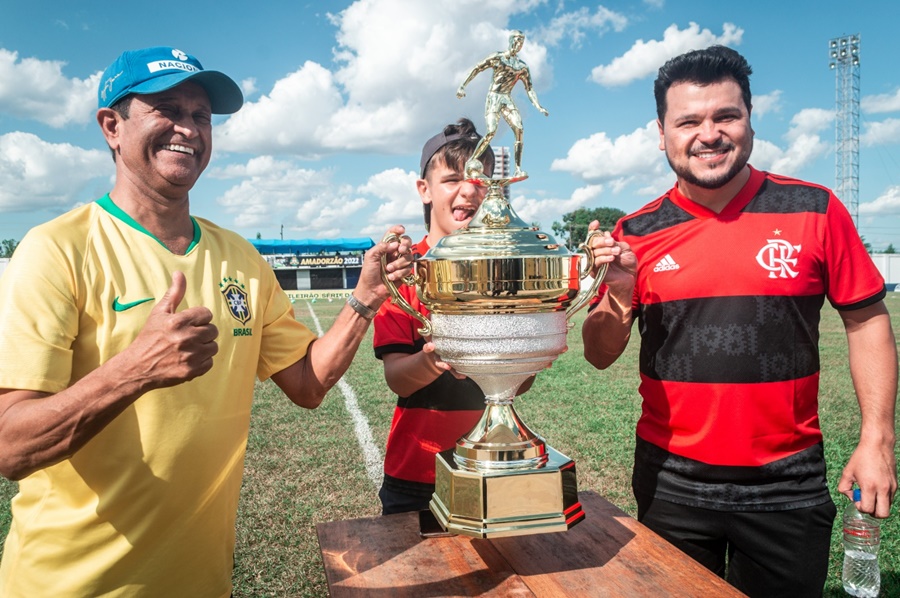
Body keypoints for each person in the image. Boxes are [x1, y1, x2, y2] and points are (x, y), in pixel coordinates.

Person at [0, 46, 412, 597]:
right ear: (111, 127)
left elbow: (308, 383)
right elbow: (11, 446)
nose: (188, 128)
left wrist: (366, 296)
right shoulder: (56, 250)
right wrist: (133, 370)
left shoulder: (239, 257)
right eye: (166, 108)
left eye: (201, 116)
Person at [582, 45, 897, 597]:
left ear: (749, 119)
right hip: (671, 481)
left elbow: (867, 321)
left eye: (726, 116)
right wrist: (621, 292)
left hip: (787, 482)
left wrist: (877, 439)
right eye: (688, 121)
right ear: (662, 133)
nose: (709, 134)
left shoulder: (816, 210)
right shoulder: (634, 233)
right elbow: (599, 352)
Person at [373, 118, 502, 514]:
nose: (468, 190)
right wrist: (434, 359)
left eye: (480, 179)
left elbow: (521, 383)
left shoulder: (502, 270)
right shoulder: (403, 272)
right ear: (424, 190)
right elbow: (398, 379)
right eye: (452, 179)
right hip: (416, 476)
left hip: (493, 468)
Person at [456, 30, 548, 179]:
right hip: (494, 97)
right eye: (517, 41)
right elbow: (477, 68)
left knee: (519, 129)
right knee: (491, 131)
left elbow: (529, 88)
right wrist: (462, 85)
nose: (519, 45)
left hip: (506, 98)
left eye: (521, 42)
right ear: (511, 41)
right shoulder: (498, 58)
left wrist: (538, 106)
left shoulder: (521, 67)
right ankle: (473, 160)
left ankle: (518, 169)